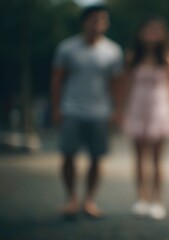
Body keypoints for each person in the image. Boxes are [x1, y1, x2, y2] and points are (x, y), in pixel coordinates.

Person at [51, 5, 123, 218]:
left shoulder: (113, 51)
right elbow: (57, 79)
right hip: (71, 108)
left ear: (107, 23)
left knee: (96, 157)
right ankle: (71, 198)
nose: (97, 23)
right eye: (92, 19)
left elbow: (116, 83)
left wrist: (116, 109)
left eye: (101, 19)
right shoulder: (67, 48)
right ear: (84, 22)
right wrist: (56, 107)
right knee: (68, 154)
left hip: (100, 111)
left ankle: (89, 199)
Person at [121, 16, 169, 220]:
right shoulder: (132, 58)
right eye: (148, 30)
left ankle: (157, 201)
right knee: (139, 158)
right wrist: (122, 111)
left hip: (159, 111)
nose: (152, 35)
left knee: (157, 159)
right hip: (137, 109)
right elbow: (126, 86)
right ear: (140, 33)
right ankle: (141, 199)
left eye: (157, 31)